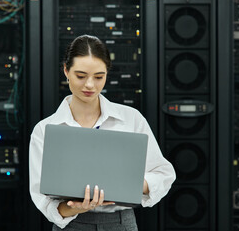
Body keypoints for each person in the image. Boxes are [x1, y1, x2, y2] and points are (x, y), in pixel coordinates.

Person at [29, 34, 176, 230]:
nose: (90, 85)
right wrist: (75, 208)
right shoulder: (45, 130)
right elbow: (42, 199)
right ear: (66, 70)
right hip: (72, 225)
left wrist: (129, 183)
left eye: (99, 77)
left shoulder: (131, 119)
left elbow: (163, 174)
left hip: (121, 223)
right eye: (81, 76)